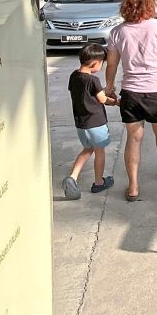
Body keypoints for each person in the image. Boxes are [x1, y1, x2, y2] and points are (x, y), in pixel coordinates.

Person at [105, 0, 157, 202]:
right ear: (151, 3)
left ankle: (133, 187)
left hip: (131, 92)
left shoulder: (117, 32)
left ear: (126, 3)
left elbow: (111, 65)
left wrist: (109, 87)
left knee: (134, 137)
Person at [63, 43, 118, 200]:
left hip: (81, 123)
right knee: (99, 151)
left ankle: (72, 177)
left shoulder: (74, 76)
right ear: (95, 62)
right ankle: (99, 182)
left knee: (87, 149)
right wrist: (116, 102)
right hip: (96, 123)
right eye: (102, 63)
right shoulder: (93, 80)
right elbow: (102, 99)